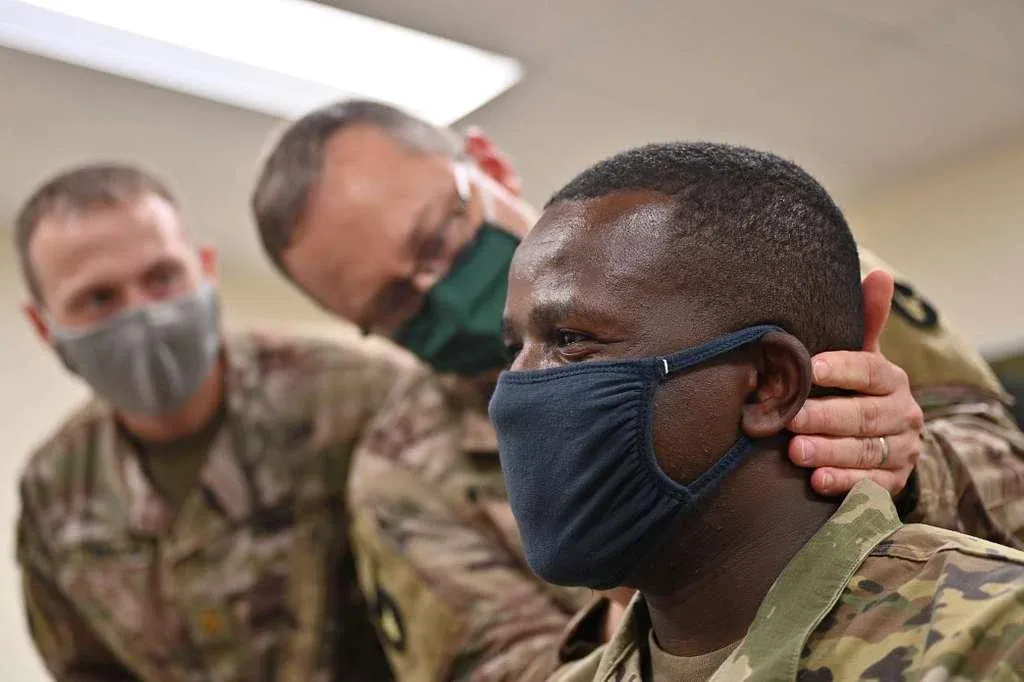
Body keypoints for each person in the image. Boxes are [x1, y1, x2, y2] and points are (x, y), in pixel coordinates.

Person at [250, 100, 1024, 678]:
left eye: (438, 239)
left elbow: (1007, 463)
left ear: (486, 164)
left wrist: (905, 470)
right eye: (397, 306)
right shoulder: (405, 477)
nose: (443, 292)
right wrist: (654, 592)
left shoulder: (746, 253)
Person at [491, 141, 1024, 680]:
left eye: (571, 338)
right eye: (514, 350)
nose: (515, 390)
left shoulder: (989, 639)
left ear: (769, 383)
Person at [13, 163, 473, 680]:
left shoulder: (358, 400)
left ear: (206, 269)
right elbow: (85, 668)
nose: (142, 315)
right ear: (42, 324)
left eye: (162, 277)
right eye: (98, 299)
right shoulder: (56, 488)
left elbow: (469, 610)